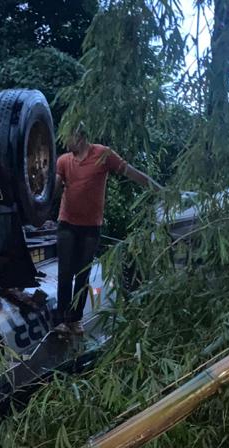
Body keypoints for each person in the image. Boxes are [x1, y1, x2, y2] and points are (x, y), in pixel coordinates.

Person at [53, 125, 160, 333]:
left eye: (68, 137)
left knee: (82, 274)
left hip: (91, 226)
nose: (65, 143)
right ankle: (60, 320)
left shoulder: (103, 154)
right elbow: (54, 188)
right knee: (65, 272)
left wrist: (158, 189)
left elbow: (131, 172)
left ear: (81, 136)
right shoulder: (63, 160)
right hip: (66, 223)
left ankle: (74, 319)